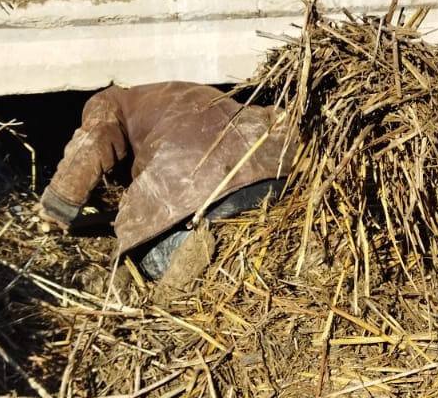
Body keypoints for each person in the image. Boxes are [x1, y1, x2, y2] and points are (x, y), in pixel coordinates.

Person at [38, 81, 293, 279]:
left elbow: (92, 142)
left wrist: (57, 204)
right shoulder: (192, 89)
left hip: (199, 192)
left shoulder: (112, 98)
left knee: (149, 260)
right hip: (275, 174)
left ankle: (189, 249)